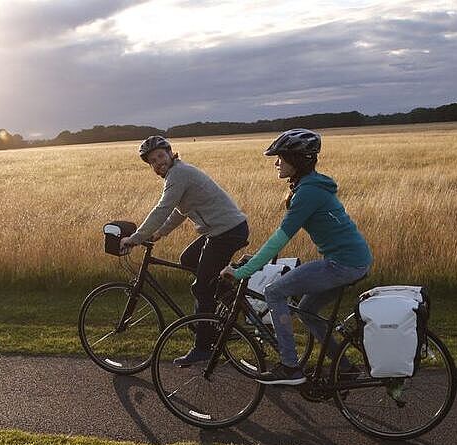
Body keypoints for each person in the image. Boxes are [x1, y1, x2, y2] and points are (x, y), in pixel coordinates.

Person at [222, 129, 372, 385]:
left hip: (343, 264)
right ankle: (344, 367)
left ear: (298, 160)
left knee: (274, 292)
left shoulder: (307, 193)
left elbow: (281, 237)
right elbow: (280, 239)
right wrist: (256, 260)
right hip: (354, 261)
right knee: (306, 309)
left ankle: (290, 367)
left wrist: (242, 273)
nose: (276, 162)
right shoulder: (309, 187)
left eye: (281, 157)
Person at [121, 135, 249, 366]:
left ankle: (203, 347)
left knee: (201, 288)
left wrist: (136, 238)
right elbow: (180, 211)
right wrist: (159, 233)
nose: (158, 162)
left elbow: (163, 208)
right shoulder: (177, 174)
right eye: (152, 161)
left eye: (160, 155)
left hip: (226, 231)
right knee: (189, 259)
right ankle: (226, 302)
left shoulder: (179, 174)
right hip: (223, 230)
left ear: (170, 153)